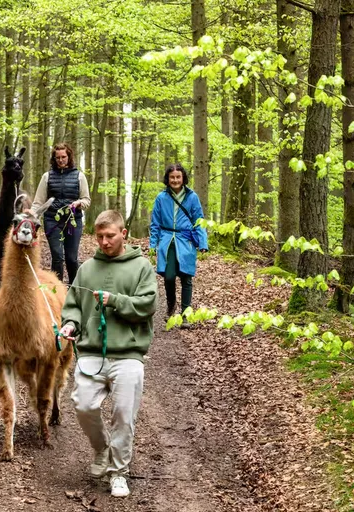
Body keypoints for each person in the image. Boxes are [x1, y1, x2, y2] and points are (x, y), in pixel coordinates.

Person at [58, 210, 158, 499]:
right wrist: (70, 324)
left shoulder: (141, 267)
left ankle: (118, 472)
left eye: (110, 236)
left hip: (128, 354)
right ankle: (103, 449)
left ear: (123, 234)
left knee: (124, 414)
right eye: (99, 236)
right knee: (83, 404)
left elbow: (147, 305)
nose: (104, 242)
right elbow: (73, 303)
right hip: (91, 352)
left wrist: (115, 301)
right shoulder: (87, 269)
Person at [149, 163, 209, 317]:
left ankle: (186, 314)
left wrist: (203, 243)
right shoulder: (161, 198)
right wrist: (153, 244)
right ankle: (171, 303)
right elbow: (155, 223)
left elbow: (199, 220)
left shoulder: (192, 197)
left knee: (186, 277)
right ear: (167, 179)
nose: (175, 180)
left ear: (183, 178)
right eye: (172, 177)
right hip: (167, 240)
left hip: (186, 240)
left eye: (178, 177)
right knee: (169, 276)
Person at [30, 142, 91, 284]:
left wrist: (78, 203)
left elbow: (86, 200)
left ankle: (74, 290)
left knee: (71, 258)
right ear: (54, 159)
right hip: (52, 220)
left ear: (69, 157)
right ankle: (56, 290)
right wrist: (31, 216)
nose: (61, 160)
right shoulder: (47, 177)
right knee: (57, 256)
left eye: (63, 157)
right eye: (58, 158)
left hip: (73, 221)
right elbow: (38, 202)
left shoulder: (79, 176)